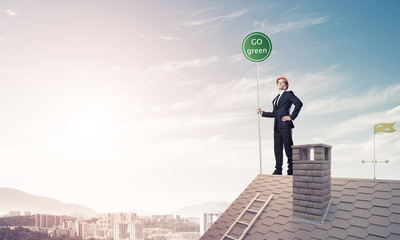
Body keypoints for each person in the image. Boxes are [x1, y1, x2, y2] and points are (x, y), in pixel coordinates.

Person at [257, 76, 303, 175]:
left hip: (285, 126)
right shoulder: (276, 98)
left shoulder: (288, 94)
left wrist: (291, 117)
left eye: (283, 82)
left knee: (288, 148)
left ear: (286, 85)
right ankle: (278, 170)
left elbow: (299, 103)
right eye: (279, 82)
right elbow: (275, 113)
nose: (281, 83)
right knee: (277, 149)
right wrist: (262, 113)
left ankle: (291, 170)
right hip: (277, 127)